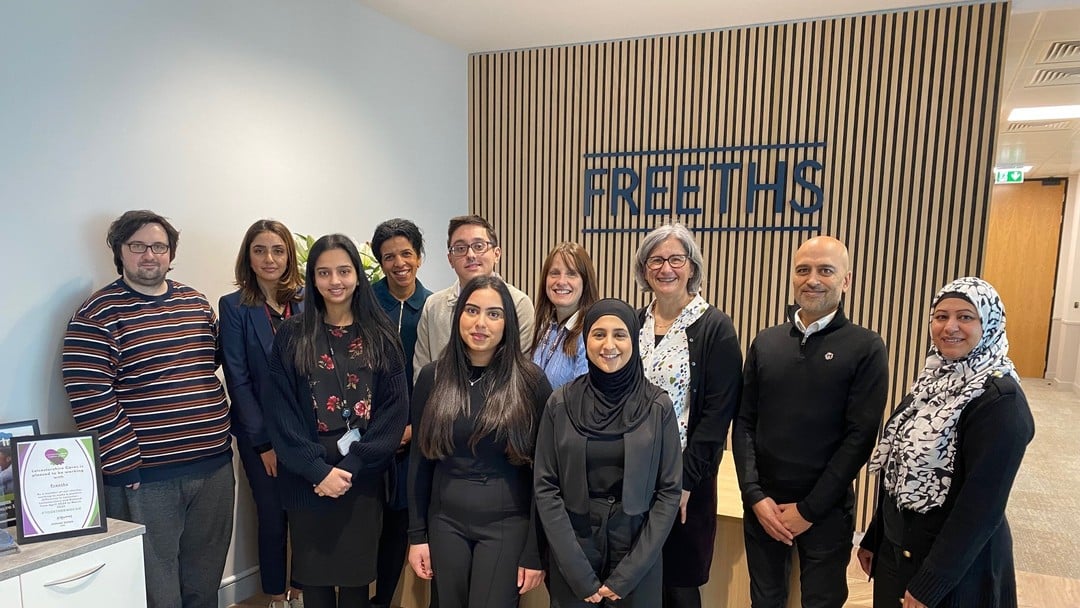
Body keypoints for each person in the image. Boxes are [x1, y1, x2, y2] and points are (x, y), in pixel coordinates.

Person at [62, 210, 235, 608]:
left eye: (159, 246)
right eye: (137, 246)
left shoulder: (195, 302)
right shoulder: (97, 314)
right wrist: (122, 462)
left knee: (204, 579)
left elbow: (207, 364)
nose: (149, 255)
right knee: (158, 589)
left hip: (213, 466)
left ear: (171, 253)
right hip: (146, 477)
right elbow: (89, 395)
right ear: (119, 252)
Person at [858, 277, 1034, 608]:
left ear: (989, 324)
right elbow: (901, 470)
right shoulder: (933, 383)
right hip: (899, 553)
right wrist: (876, 535)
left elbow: (981, 508)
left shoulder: (1000, 400)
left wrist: (930, 583)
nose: (950, 326)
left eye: (965, 317)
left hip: (956, 573)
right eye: (941, 316)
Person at [733, 235, 889, 608]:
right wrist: (754, 496)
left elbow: (860, 438)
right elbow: (744, 422)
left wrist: (809, 510)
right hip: (764, 509)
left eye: (825, 270)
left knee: (822, 601)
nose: (812, 279)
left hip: (826, 511)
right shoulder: (766, 342)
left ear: (846, 281)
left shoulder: (866, 347)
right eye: (803, 270)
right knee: (764, 601)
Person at [263, 234, 409, 608]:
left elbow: (394, 410)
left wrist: (353, 465)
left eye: (343, 271)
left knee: (356, 584)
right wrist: (317, 471)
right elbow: (280, 411)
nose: (335, 281)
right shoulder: (292, 335)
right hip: (307, 479)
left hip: (362, 479)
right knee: (314, 584)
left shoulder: (381, 335)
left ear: (358, 276)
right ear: (312, 279)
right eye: (324, 272)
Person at [407, 276, 552, 608]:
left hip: (507, 523)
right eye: (472, 310)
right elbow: (419, 462)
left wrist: (535, 551)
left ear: (508, 323)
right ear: (459, 315)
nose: (480, 323)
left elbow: (544, 474)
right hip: (445, 522)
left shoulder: (530, 382)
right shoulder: (432, 377)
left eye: (493, 314)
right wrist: (416, 536)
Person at [534, 298, 683, 606]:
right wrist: (575, 570)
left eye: (620, 334)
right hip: (574, 544)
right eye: (599, 334)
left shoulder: (658, 406)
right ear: (586, 339)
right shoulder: (560, 403)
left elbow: (669, 492)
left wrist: (630, 573)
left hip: (637, 546)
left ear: (634, 340)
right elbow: (546, 487)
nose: (609, 345)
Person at [633, 223, 743, 608]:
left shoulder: (715, 327)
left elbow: (716, 416)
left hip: (685, 479)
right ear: (644, 269)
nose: (666, 268)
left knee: (678, 584)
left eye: (676, 259)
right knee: (635, 579)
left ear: (692, 267)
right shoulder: (634, 323)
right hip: (632, 475)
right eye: (656, 260)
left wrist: (683, 483)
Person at [219, 219, 305, 608]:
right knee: (272, 518)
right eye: (259, 250)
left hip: (306, 434)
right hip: (262, 436)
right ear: (248, 257)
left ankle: (300, 590)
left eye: (277, 250)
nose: (269, 259)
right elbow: (238, 379)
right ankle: (274, 596)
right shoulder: (234, 306)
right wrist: (264, 443)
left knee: (305, 516)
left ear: (289, 256)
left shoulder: (306, 301)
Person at [369, 219, 433, 608]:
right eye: (389, 256)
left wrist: (411, 426)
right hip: (367, 431)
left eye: (406, 253)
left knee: (400, 519)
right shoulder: (365, 302)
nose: (399, 263)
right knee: (365, 518)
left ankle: (387, 599)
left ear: (419, 257)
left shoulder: (433, 307)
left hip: (414, 430)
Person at [413, 215, 534, 381]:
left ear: (497, 254)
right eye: (460, 248)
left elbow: (520, 371)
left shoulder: (518, 303)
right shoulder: (433, 305)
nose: (470, 254)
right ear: (450, 259)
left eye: (479, 246)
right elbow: (422, 372)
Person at [529, 242, 599, 389]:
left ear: (585, 282)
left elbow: (583, 397)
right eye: (554, 273)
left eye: (571, 274)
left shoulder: (590, 334)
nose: (561, 281)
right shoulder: (545, 328)